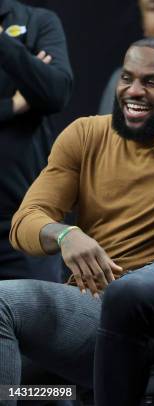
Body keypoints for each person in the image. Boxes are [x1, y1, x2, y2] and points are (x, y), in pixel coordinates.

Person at [1, 37, 154, 405]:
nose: (134, 91)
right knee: (22, 392)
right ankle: (59, 396)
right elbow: (24, 222)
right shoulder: (86, 134)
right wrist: (65, 234)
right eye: (127, 78)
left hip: (153, 320)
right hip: (87, 312)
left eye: (151, 82)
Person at [0, 0, 72, 282]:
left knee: (36, 322)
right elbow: (39, 87)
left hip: (26, 223)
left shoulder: (38, 21)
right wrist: (14, 105)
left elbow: (55, 92)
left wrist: (4, 44)